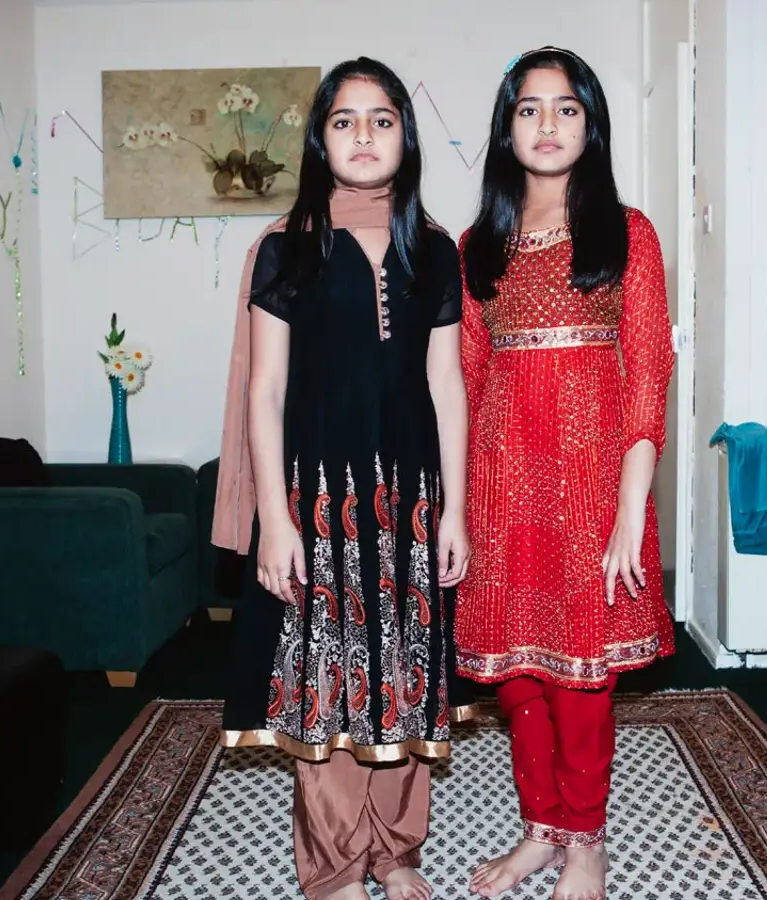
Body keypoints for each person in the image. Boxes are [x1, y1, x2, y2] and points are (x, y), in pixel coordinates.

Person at [212, 57, 476, 900]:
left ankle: (396, 854)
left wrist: (456, 512)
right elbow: (266, 387)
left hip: (410, 503)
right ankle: (331, 868)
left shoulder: (435, 251)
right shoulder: (285, 250)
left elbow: (447, 386)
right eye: (344, 121)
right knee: (326, 684)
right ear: (320, 142)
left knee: (403, 675)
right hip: (318, 502)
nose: (364, 136)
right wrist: (277, 523)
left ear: (407, 137)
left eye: (383, 119)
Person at [455, 46, 676, 900]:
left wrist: (631, 510)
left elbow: (648, 372)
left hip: (593, 489)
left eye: (566, 108)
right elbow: (467, 385)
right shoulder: (479, 245)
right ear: (507, 128)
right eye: (529, 109)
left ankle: (586, 840)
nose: (547, 125)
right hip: (503, 486)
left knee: (582, 680)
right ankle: (540, 830)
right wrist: (456, 509)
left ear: (591, 123)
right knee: (518, 678)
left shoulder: (630, 232)